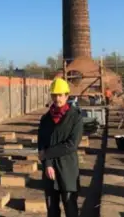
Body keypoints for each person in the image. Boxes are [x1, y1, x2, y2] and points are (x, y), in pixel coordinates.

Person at [38, 78, 83, 217]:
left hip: (67, 168)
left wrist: (47, 154)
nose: (57, 98)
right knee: (52, 209)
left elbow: (71, 144)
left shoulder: (75, 117)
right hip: (50, 171)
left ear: (66, 96)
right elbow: (42, 144)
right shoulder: (45, 119)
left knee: (70, 207)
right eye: (54, 95)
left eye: (60, 95)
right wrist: (48, 164)